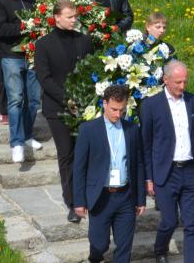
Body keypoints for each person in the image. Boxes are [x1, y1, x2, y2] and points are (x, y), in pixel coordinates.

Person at [141, 61, 194, 263]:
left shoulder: (193, 101)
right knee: (170, 221)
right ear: (166, 80)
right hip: (166, 172)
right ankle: (160, 249)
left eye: (185, 82)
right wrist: (148, 178)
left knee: (192, 224)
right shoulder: (150, 106)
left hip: (190, 170)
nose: (182, 86)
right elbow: (145, 145)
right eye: (178, 82)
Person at [34, 0, 95, 222]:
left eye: (75, 16)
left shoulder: (84, 41)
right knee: (66, 154)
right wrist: (66, 99)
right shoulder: (44, 44)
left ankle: (86, 196)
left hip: (82, 106)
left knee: (84, 152)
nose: (74, 20)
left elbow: (90, 71)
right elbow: (44, 77)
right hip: (57, 108)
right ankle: (72, 202)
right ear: (56, 17)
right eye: (69, 16)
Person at [73, 85, 146, 262]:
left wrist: (140, 199)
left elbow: (138, 164)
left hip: (125, 196)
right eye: (114, 109)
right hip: (101, 196)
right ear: (104, 103)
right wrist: (79, 201)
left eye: (122, 110)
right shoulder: (88, 130)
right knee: (100, 244)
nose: (117, 114)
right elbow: (79, 168)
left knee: (124, 246)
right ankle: (95, 257)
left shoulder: (132, 130)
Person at [0, 0, 43, 163]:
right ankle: (16, 142)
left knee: (33, 100)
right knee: (15, 99)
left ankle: (27, 135)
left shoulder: (32, 0)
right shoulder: (0, 2)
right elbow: (0, 29)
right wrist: (24, 26)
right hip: (11, 55)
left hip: (31, 55)